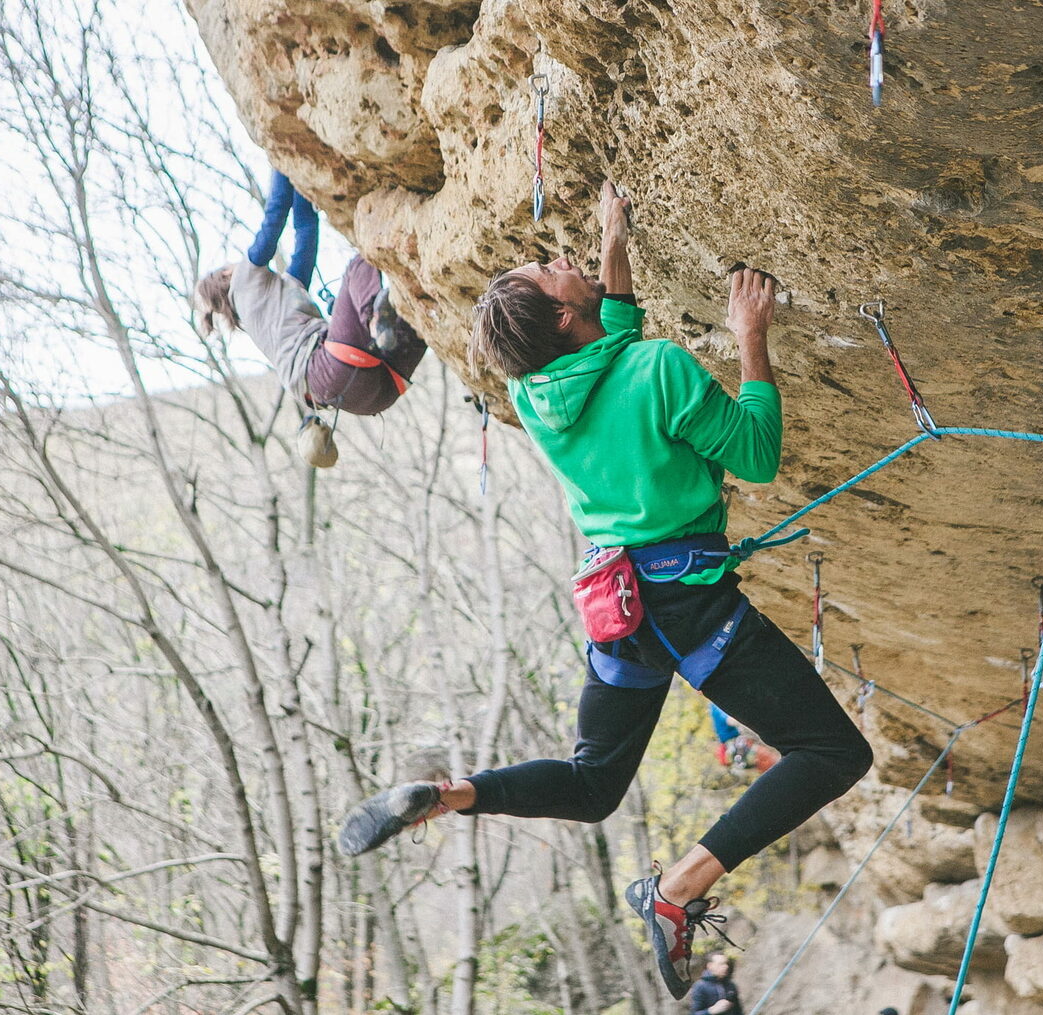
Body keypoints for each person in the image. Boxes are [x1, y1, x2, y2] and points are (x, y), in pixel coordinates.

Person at [335, 179, 873, 999]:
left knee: (593, 786)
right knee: (836, 750)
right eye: (552, 272)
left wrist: (611, 250)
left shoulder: (535, 392)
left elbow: (605, 350)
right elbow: (756, 455)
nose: (561, 259)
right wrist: (749, 335)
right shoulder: (657, 367)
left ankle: (452, 795)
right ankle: (680, 884)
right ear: (560, 318)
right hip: (691, 607)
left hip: (620, 611)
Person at [193, 172, 427, 452]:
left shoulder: (274, 302)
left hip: (371, 395)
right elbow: (275, 215)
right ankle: (375, 321)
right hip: (329, 368)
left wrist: (300, 175)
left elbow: (305, 233)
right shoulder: (242, 281)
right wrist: (279, 163)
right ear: (226, 274)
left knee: (421, 314)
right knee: (359, 263)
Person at [710, 704, 777, 774]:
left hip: (737, 751)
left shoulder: (714, 707)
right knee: (767, 756)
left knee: (767, 763)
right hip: (738, 747)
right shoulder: (717, 706)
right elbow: (731, 721)